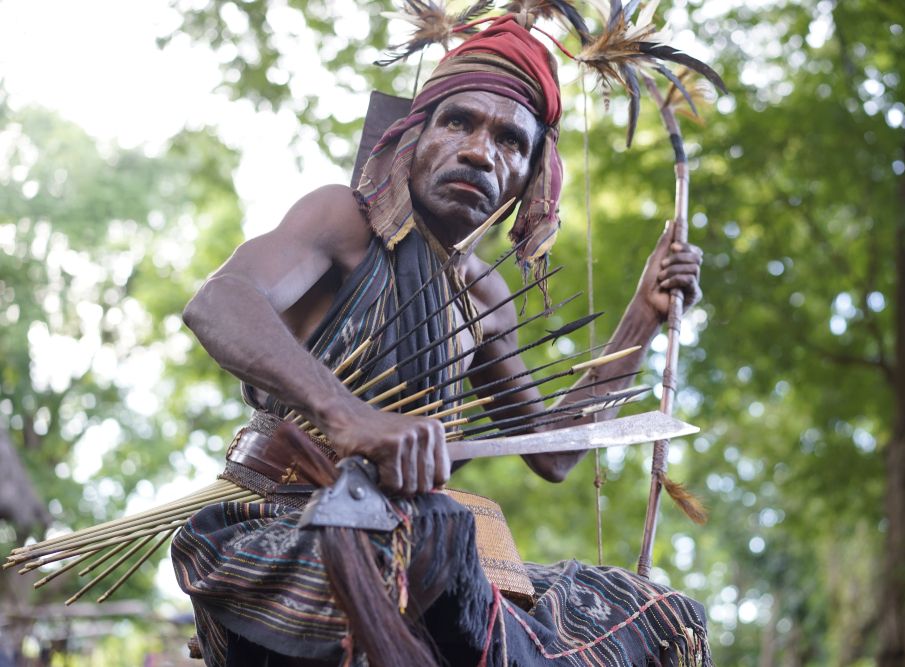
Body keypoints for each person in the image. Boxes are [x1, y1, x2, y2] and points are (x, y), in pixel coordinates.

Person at [172, 14, 710, 667]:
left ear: (531, 178)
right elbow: (220, 302)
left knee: (661, 613)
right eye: (459, 122)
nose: (481, 152)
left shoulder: (484, 296)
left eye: (511, 140)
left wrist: (644, 316)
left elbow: (550, 453)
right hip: (286, 522)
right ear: (414, 136)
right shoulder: (343, 221)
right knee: (437, 539)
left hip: (418, 541)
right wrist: (352, 418)